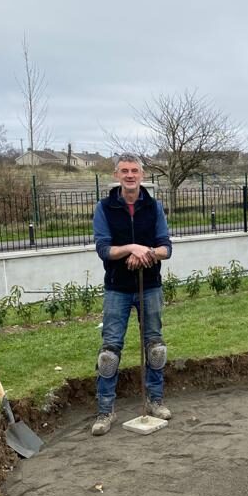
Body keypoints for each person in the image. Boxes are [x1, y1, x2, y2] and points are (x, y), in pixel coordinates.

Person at [91, 153, 173, 436]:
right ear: (117, 175)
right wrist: (132, 248)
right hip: (117, 288)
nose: (130, 175)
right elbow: (104, 249)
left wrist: (146, 253)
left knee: (155, 347)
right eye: (124, 171)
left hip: (149, 285)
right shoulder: (105, 208)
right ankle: (105, 410)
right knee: (109, 352)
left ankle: (155, 399)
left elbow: (165, 248)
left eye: (134, 171)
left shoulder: (153, 206)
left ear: (142, 175)